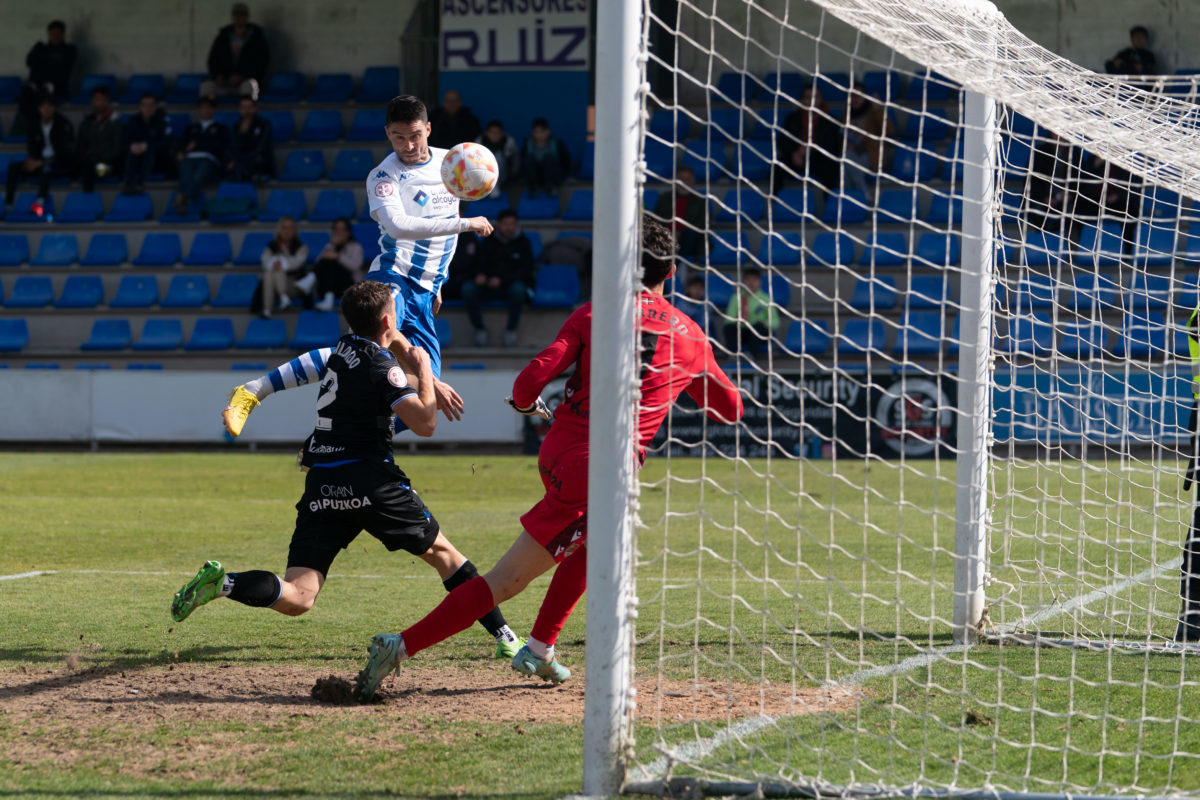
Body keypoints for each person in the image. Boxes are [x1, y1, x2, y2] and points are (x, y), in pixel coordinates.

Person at [352, 217, 745, 701]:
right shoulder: (690, 335)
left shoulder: (592, 313)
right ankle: (401, 646)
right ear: (672, 270)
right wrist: (690, 372)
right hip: (599, 468)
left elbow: (527, 384)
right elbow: (730, 410)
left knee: (596, 544)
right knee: (508, 579)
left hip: (561, 448)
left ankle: (540, 647)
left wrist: (522, 406)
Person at [171, 281, 524, 662]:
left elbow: (374, 376)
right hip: (371, 482)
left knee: (300, 596)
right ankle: (505, 635)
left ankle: (224, 583)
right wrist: (425, 372)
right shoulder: (381, 364)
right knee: (446, 556)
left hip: (323, 482)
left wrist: (422, 381)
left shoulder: (341, 351)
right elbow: (425, 424)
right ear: (388, 320)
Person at [221, 95, 491, 437]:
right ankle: (255, 390)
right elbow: (399, 227)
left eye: (414, 136)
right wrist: (467, 225)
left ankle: (343, 439)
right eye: (398, 137)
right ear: (387, 134)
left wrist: (438, 283)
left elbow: (444, 225)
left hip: (425, 290)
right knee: (361, 351)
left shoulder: (452, 164)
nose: (407, 145)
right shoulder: (383, 176)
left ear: (428, 129)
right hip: (393, 275)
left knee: (424, 398)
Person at [462, 209, 535, 347]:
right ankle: (479, 328)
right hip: (487, 285)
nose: (509, 227)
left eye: (512, 224)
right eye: (505, 224)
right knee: (468, 289)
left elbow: (525, 272)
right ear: (499, 224)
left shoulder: (523, 243)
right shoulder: (487, 241)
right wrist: (480, 275)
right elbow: (476, 263)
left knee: (519, 290)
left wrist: (502, 280)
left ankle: (511, 329)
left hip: (510, 286)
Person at [4, 93, 73, 217]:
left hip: (57, 163)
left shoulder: (62, 124)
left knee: (46, 168)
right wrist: (32, 161)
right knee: (13, 167)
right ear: (39, 108)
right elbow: (32, 147)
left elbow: (65, 152)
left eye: (49, 106)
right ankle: (8, 203)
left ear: (54, 108)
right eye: (43, 106)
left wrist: (41, 162)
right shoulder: (34, 124)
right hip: (38, 162)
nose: (46, 109)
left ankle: (39, 203)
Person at [775, 85, 843, 194]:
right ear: (803, 99)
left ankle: (829, 205)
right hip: (796, 157)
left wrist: (812, 149)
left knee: (831, 169)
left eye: (815, 97)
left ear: (820, 99)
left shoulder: (831, 121)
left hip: (819, 159)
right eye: (808, 97)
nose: (812, 101)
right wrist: (794, 153)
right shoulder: (792, 118)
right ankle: (774, 204)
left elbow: (833, 145)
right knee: (776, 168)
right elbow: (782, 141)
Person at [200, 2, 270, 101]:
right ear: (232, 16)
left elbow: (262, 63)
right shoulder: (223, 36)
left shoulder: (256, 37)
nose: (238, 18)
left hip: (244, 82)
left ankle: (247, 116)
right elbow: (213, 60)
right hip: (224, 83)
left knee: (250, 85)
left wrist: (242, 76)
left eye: (241, 15)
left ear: (247, 16)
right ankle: (208, 117)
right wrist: (218, 76)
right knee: (206, 86)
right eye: (236, 15)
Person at [174, 95, 230, 216]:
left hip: (209, 159)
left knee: (199, 175)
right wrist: (181, 151)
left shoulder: (220, 129)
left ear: (213, 110)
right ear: (199, 109)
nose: (206, 110)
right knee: (186, 176)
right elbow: (181, 145)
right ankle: (184, 200)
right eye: (203, 107)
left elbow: (219, 146)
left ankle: (183, 197)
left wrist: (197, 143)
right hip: (190, 158)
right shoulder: (191, 128)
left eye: (209, 107)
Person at [17, 20, 76, 131]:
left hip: (57, 86)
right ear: (48, 34)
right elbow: (29, 62)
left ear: (63, 35)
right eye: (52, 33)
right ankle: (26, 127)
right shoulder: (40, 47)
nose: (55, 36)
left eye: (58, 33)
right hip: (37, 84)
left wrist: (44, 61)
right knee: (26, 93)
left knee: (44, 97)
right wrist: (50, 61)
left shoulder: (69, 50)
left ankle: (39, 128)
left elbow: (63, 69)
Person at [306, 217, 365, 311]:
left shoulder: (356, 247)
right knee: (329, 261)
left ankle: (310, 279)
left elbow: (355, 266)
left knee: (333, 261)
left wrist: (338, 256)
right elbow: (319, 264)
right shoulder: (329, 246)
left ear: (348, 232)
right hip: (327, 285)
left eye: (342, 229)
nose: (339, 232)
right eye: (336, 229)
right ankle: (327, 296)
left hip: (348, 286)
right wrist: (333, 246)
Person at [76, 85, 124, 193]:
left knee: (91, 169)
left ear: (107, 101)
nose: (100, 103)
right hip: (90, 164)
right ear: (93, 101)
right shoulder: (86, 123)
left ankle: (88, 201)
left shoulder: (116, 123)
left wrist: (99, 157)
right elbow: (80, 147)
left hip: (109, 167)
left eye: (103, 99)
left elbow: (117, 150)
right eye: (97, 99)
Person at [122, 93, 173, 194]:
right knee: (133, 152)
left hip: (157, 161)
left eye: (151, 105)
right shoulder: (133, 121)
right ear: (140, 107)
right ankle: (129, 183)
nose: (148, 108)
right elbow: (124, 142)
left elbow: (167, 144)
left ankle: (141, 183)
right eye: (145, 105)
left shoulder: (163, 122)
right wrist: (132, 146)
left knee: (148, 152)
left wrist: (147, 146)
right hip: (136, 160)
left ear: (156, 107)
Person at [653, 164, 706, 259]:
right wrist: (668, 233)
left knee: (691, 236)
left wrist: (681, 233)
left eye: (688, 179)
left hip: (689, 241)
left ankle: (675, 265)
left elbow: (701, 224)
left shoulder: (701, 201)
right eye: (681, 178)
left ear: (693, 181)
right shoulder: (664, 198)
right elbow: (657, 219)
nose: (684, 182)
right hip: (667, 237)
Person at [257, 216, 308, 316]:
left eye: (290, 228)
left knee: (277, 270)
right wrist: (274, 263)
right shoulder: (272, 245)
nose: (287, 231)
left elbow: (297, 263)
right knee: (268, 274)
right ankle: (279, 300)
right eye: (284, 227)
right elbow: (264, 260)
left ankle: (270, 307)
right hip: (273, 284)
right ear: (279, 229)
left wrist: (281, 261)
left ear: (294, 230)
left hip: (293, 284)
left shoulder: (301, 246)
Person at [723, 268, 780, 354]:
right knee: (729, 328)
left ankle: (751, 355)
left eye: (754, 280)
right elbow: (728, 320)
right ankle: (733, 355)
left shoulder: (766, 299)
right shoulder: (735, 298)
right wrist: (737, 319)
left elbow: (775, 321)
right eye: (748, 279)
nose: (751, 283)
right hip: (742, 332)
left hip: (759, 334)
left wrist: (766, 323)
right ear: (743, 282)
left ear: (760, 282)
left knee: (758, 327)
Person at [845, 82, 894, 181]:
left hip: (870, 156)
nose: (855, 99)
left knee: (848, 163)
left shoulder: (873, 112)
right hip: (852, 153)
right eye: (852, 96)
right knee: (847, 160)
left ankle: (860, 193)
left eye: (859, 96)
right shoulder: (846, 114)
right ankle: (860, 193)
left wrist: (878, 111)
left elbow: (889, 131)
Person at [225, 94, 274, 181]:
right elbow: (232, 147)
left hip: (258, 162)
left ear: (255, 108)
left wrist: (239, 161)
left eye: (250, 107)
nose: (247, 110)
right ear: (239, 109)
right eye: (244, 107)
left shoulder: (264, 124)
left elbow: (261, 147)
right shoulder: (236, 127)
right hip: (240, 163)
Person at [520, 117, 572, 196]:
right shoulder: (527, 144)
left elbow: (566, 163)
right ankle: (533, 188)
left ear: (548, 131)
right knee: (529, 159)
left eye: (542, 131)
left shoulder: (557, 144)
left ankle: (551, 188)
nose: (540, 134)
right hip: (535, 177)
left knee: (548, 158)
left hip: (552, 178)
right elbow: (522, 164)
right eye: (537, 132)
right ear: (533, 132)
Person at [475, 119, 520, 199]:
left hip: (503, 176)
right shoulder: (479, 142)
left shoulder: (509, 142)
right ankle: (488, 186)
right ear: (487, 133)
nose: (495, 135)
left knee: (498, 157)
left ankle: (493, 185)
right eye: (492, 132)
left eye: (498, 133)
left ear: (502, 133)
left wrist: (513, 173)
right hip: (482, 177)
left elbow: (515, 159)